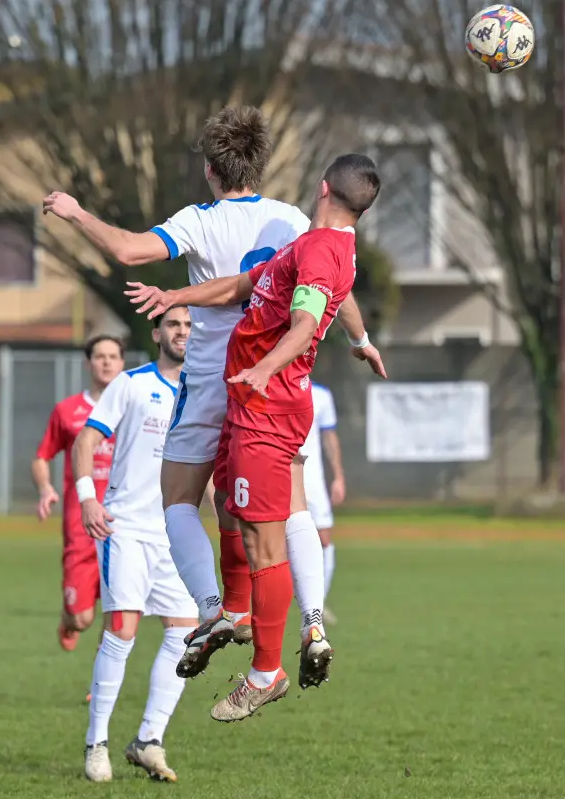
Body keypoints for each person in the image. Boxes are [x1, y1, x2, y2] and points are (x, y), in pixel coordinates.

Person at [42, 106, 385, 682]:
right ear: (260, 163)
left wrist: (75, 212)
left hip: (210, 378)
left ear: (210, 169)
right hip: (273, 383)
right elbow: (332, 280)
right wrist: (360, 337)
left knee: (177, 498)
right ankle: (315, 620)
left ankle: (214, 611)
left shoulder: (197, 221)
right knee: (289, 503)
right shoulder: (290, 220)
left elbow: (127, 250)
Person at [126, 153, 382, 721]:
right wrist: (175, 298)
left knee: (268, 535)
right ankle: (241, 615)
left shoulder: (317, 250)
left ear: (322, 188)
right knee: (242, 518)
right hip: (253, 404)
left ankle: (267, 672)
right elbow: (244, 283)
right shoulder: (315, 242)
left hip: (267, 406)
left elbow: (306, 323)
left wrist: (265, 368)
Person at [70, 307, 195, 783]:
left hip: (174, 533)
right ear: (157, 332)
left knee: (186, 633)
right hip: (126, 527)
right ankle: (96, 742)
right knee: (122, 630)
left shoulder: (204, 387)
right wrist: (88, 499)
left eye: (189, 325)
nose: (183, 332)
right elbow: (86, 440)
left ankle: (149, 739)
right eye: (174, 325)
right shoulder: (131, 383)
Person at [31, 335, 124, 652]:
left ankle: (100, 685)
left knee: (118, 613)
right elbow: (42, 457)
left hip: (123, 521)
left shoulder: (134, 406)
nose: (107, 362)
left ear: (122, 363)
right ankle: (67, 618)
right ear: (88, 363)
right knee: (82, 618)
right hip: (80, 523)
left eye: (113, 356)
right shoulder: (67, 410)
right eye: (100, 356)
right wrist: (45, 488)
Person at [300, 383, 345, 623]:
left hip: (313, 481)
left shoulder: (321, 395)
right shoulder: (271, 384)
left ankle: (317, 605)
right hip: (278, 475)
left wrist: (338, 476)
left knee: (324, 541)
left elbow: (329, 437)